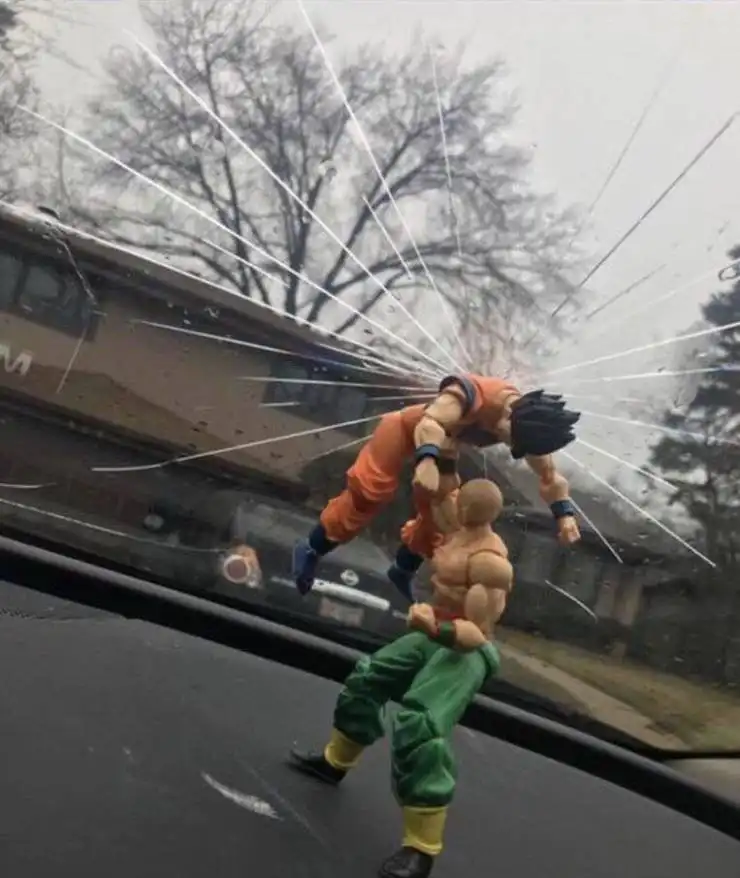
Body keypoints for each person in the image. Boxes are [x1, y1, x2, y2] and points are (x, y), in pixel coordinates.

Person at [288, 478, 514, 878]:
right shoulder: (455, 523)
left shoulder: (488, 564)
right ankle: (334, 762)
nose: (453, 503)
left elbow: (477, 634)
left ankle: (420, 849)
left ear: (473, 512)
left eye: (461, 503)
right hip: (432, 628)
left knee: (420, 725)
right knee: (368, 677)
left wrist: (434, 628)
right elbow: (437, 480)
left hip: (462, 646)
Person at [293, 373, 581, 599]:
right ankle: (312, 547)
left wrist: (564, 515)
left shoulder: (527, 429)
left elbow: (550, 477)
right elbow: (430, 423)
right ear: (509, 414)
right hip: (406, 430)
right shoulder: (472, 394)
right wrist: (426, 460)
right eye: (511, 439)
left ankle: (402, 569)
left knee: (443, 516)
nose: (510, 446)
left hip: (444, 451)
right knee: (370, 491)